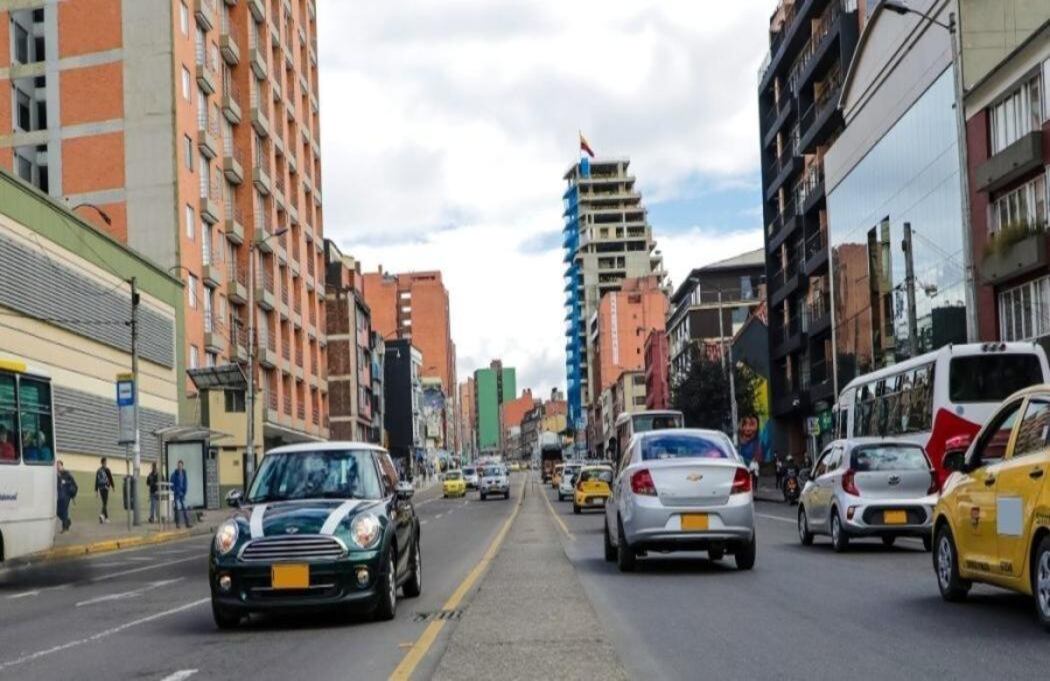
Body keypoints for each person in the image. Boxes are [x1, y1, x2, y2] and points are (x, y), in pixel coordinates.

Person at [56, 461, 77, 533]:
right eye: (57, 466)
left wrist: (65, 482)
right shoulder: (57, 475)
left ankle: (64, 527)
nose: (58, 467)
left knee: (64, 511)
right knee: (58, 512)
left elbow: (74, 484)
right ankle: (67, 521)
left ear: (62, 466)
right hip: (60, 496)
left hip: (66, 496)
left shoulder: (67, 474)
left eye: (59, 465)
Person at [94, 457, 115, 523]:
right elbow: (110, 478)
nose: (106, 463)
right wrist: (113, 486)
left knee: (104, 503)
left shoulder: (98, 470)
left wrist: (96, 490)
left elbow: (96, 481)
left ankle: (106, 518)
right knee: (105, 503)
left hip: (100, 488)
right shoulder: (107, 470)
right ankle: (101, 514)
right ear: (104, 462)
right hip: (106, 488)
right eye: (106, 462)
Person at [171, 460, 190, 528]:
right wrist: (175, 490)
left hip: (182, 493)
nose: (179, 467)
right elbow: (171, 484)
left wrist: (184, 492)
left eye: (181, 465)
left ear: (182, 466)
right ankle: (178, 524)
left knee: (184, 508)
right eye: (178, 465)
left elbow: (185, 483)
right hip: (176, 494)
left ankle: (187, 523)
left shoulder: (184, 474)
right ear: (177, 466)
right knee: (177, 509)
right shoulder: (174, 474)